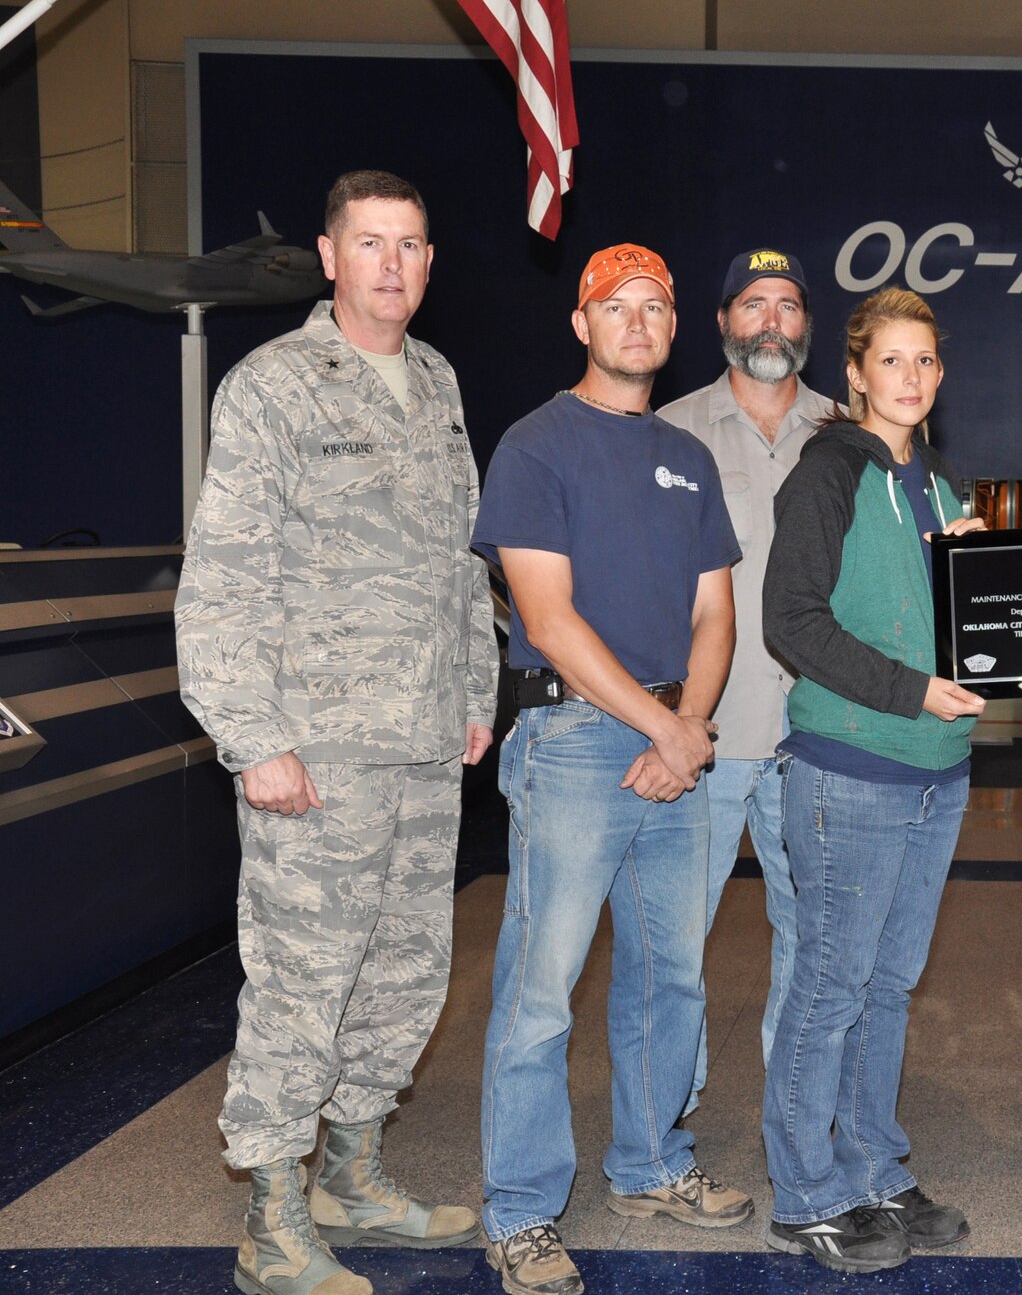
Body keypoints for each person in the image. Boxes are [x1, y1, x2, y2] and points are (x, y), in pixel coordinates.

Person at [175, 169, 497, 1295]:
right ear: (328, 256)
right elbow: (222, 578)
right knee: (303, 980)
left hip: (420, 741)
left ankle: (350, 1178)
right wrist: (252, 736)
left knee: (405, 973)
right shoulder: (274, 385)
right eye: (371, 244)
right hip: (313, 750)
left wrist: (475, 687)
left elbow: (462, 562)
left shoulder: (438, 381)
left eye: (410, 244)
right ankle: (270, 1217)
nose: (393, 265)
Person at [474, 244, 751, 1295]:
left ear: (674, 328)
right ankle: (520, 1212)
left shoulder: (688, 456)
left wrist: (687, 722)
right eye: (614, 306)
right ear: (581, 324)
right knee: (541, 989)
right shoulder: (535, 446)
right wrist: (665, 729)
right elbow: (545, 616)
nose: (636, 322)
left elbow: (715, 611)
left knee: (669, 974)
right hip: (575, 742)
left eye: (655, 307)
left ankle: (647, 1165)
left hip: (672, 738)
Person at [759, 287, 986, 1274]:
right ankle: (807, 1192)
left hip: (937, 772)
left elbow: (932, 613)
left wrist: (979, 587)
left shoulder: (933, 481)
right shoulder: (827, 473)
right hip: (851, 765)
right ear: (854, 373)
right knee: (830, 985)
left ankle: (871, 1165)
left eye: (924, 361)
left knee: (886, 985)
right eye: (891, 360)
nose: (910, 377)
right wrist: (909, 690)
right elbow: (792, 620)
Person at [659, 249, 833, 1094]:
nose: (771, 320)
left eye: (788, 305)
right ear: (724, 321)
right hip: (703, 732)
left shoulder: (850, 433)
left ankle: (799, 1105)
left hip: (818, 736)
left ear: (807, 325)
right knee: (675, 938)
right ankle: (669, 1112)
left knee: (814, 935)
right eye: (753, 304)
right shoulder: (669, 430)